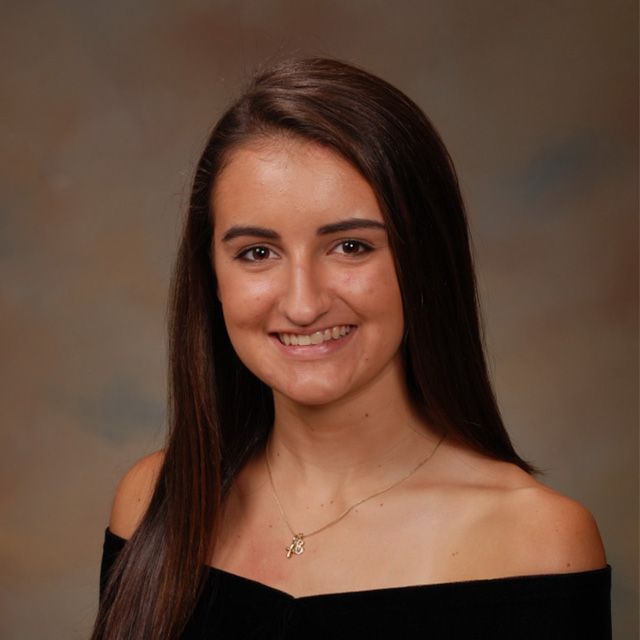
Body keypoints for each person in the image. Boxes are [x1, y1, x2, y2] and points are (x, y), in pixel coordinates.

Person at [92, 58, 611, 639]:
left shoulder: (539, 543)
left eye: (350, 247)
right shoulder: (155, 501)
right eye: (258, 253)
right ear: (211, 276)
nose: (303, 304)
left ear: (423, 261)